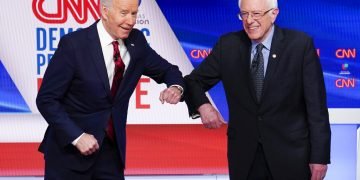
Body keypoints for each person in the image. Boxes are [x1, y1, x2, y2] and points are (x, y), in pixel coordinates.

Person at [36, 0, 184, 179]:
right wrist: (77, 137)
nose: (131, 21)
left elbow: (169, 70)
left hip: (111, 155)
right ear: (105, 12)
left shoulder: (137, 41)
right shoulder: (74, 45)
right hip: (69, 155)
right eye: (124, 13)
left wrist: (175, 87)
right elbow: (47, 100)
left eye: (134, 13)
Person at [184, 0, 331, 179]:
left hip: (291, 157)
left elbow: (317, 108)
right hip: (246, 159)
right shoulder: (228, 45)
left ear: (274, 14)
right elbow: (193, 81)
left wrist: (320, 157)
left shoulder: (300, 45)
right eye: (244, 14)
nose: (249, 20)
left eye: (256, 14)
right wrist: (203, 106)